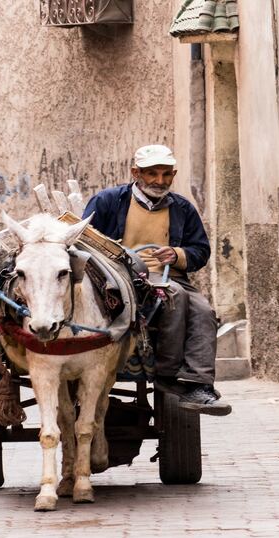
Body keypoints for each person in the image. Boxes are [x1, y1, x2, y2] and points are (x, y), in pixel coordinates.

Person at [83, 145, 231, 415]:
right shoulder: (107, 201)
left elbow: (201, 251)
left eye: (166, 174)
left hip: (168, 275)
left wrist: (176, 255)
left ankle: (199, 383)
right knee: (174, 294)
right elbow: (84, 241)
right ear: (135, 173)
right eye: (152, 174)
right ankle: (167, 372)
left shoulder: (182, 208)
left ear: (173, 174)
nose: (159, 181)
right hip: (119, 276)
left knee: (205, 311)